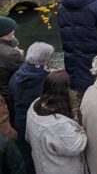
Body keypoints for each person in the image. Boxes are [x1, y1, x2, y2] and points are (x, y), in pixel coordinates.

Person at [25, 70, 88, 174]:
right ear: (64, 92)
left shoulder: (33, 106)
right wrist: (82, 130)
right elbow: (77, 146)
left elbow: (27, 137)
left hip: (42, 166)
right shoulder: (58, 125)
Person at [9, 42, 54, 174]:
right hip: (38, 124)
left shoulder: (17, 74)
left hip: (19, 121)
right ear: (45, 59)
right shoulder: (45, 79)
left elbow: (12, 98)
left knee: (26, 156)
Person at [0, 17, 24, 111]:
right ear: (5, 33)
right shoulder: (11, 54)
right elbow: (29, 69)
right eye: (12, 29)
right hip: (7, 96)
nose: (13, 31)